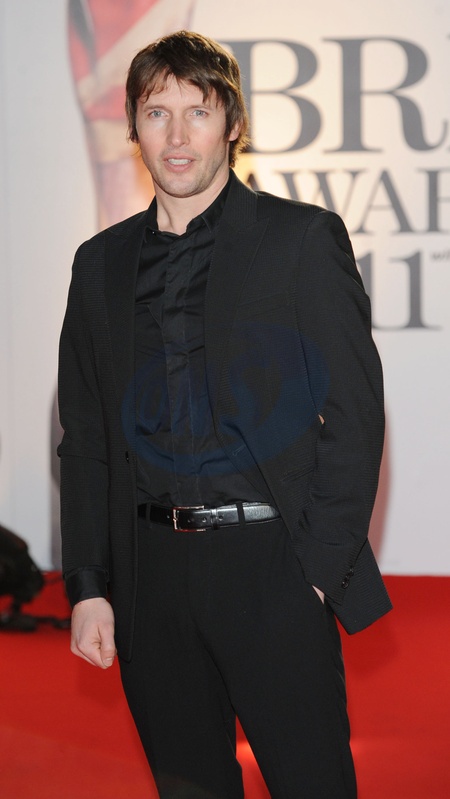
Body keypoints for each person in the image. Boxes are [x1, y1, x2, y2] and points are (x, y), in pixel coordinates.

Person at [58, 30, 392, 799]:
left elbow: (355, 415)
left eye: (198, 112)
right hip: (148, 580)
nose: (177, 136)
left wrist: (315, 575)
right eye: (156, 113)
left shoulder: (299, 240)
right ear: (133, 127)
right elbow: (85, 437)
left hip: (272, 568)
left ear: (233, 124)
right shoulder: (98, 263)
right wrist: (89, 584)